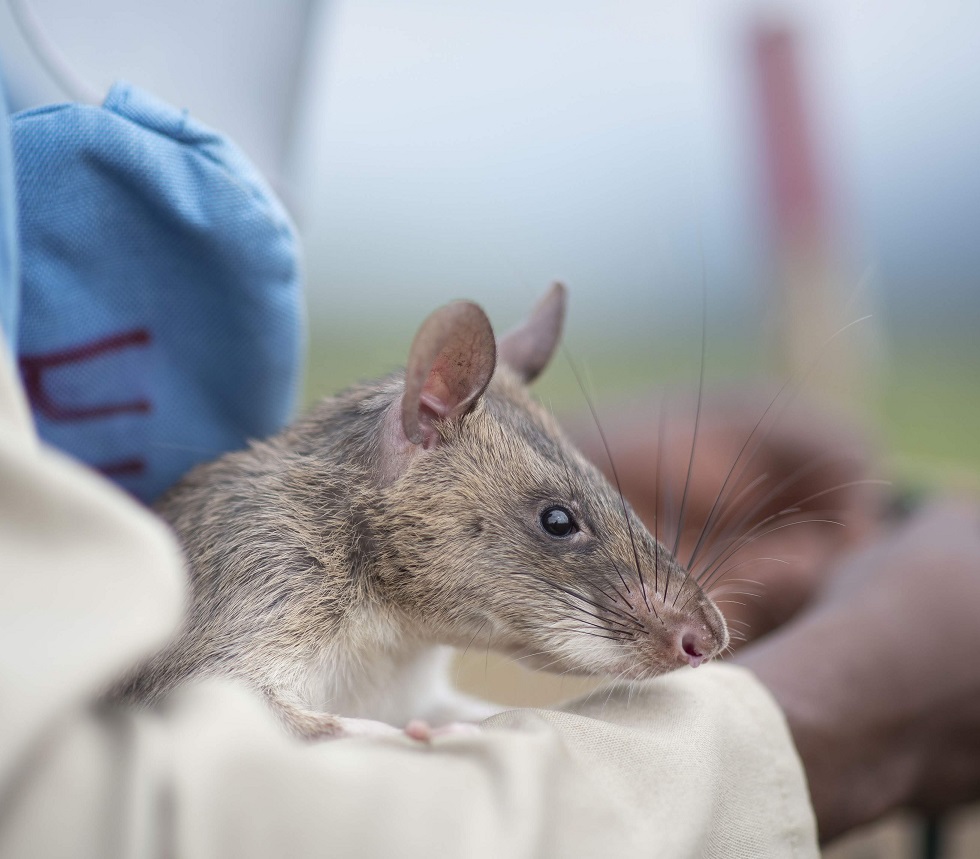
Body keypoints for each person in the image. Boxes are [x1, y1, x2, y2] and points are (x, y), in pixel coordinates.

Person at [4, 82, 980, 858]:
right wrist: (826, 730)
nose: (693, 637)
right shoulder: (266, 546)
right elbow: (183, 761)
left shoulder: (397, 593)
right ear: (425, 419)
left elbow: (421, 713)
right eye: (557, 525)